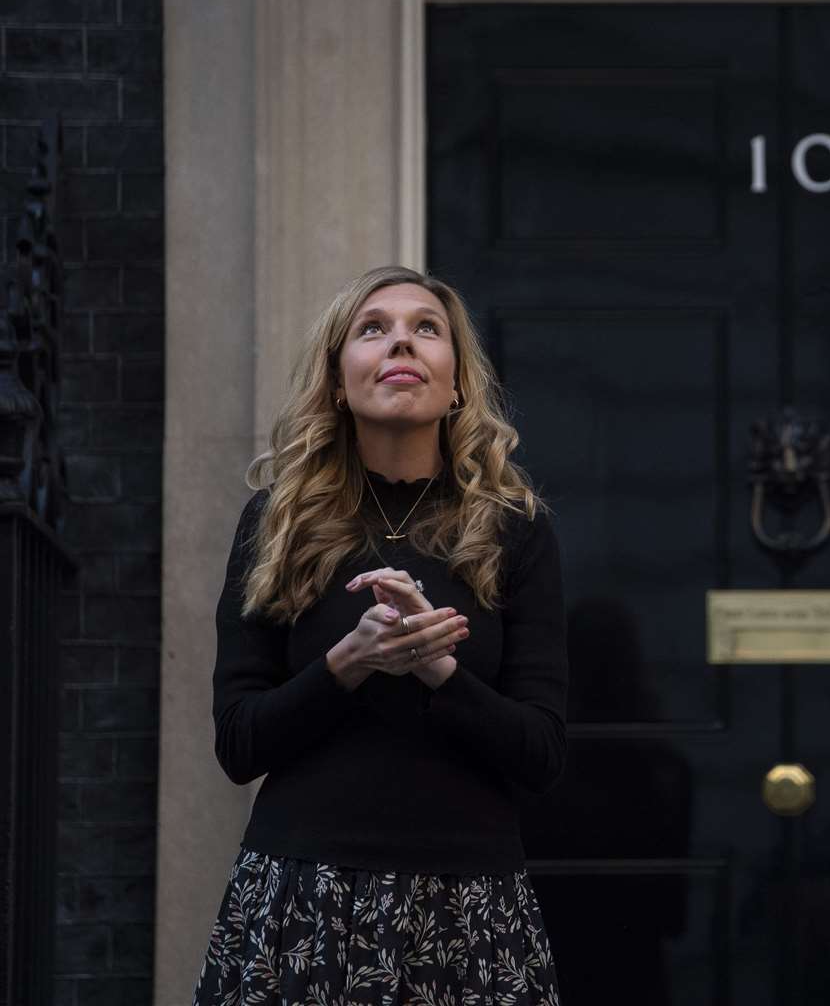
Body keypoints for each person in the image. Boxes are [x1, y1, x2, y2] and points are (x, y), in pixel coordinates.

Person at [193, 266, 566, 1005]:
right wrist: (347, 664)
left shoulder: (513, 529)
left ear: (457, 383)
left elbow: (543, 754)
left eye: (427, 328)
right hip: (305, 895)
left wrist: (439, 672)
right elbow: (239, 745)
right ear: (338, 382)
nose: (401, 340)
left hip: (469, 904)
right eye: (374, 329)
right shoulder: (278, 523)